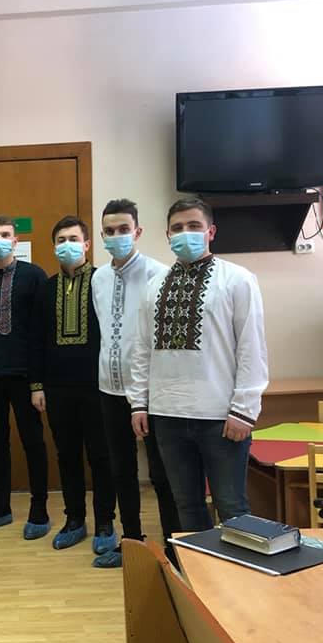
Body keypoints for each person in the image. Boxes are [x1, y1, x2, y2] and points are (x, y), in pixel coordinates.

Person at [128, 197, 268, 531]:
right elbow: (142, 349)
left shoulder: (237, 279)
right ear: (167, 235)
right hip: (167, 415)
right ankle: (197, 567)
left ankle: (235, 568)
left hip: (220, 416)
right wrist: (138, 403)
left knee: (232, 507)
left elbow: (251, 347)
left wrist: (244, 409)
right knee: (187, 506)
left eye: (194, 226)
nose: (185, 233)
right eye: (177, 228)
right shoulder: (154, 286)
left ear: (211, 232)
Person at [90, 199, 179, 568]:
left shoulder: (160, 274)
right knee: (121, 469)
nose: (116, 236)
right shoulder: (98, 278)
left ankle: (174, 548)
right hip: (109, 389)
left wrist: (145, 392)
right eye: (109, 231)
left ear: (137, 232)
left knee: (161, 473)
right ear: (102, 235)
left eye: (123, 230)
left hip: (151, 392)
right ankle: (131, 542)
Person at [29, 215, 117, 555]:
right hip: (57, 388)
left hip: (98, 387)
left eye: (73, 239)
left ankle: (105, 522)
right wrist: (37, 385)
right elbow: (36, 340)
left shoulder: (103, 281)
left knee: (101, 456)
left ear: (87, 244)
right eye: (60, 240)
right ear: (54, 247)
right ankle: (75, 520)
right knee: (66, 455)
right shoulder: (46, 287)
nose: (67, 245)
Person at [0, 216, 49, 537]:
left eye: (5, 235)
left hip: (24, 376)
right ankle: (0, 507)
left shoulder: (34, 276)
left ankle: (39, 509)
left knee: (33, 441)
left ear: (15, 241)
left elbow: (41, 332)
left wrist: (39, 382)